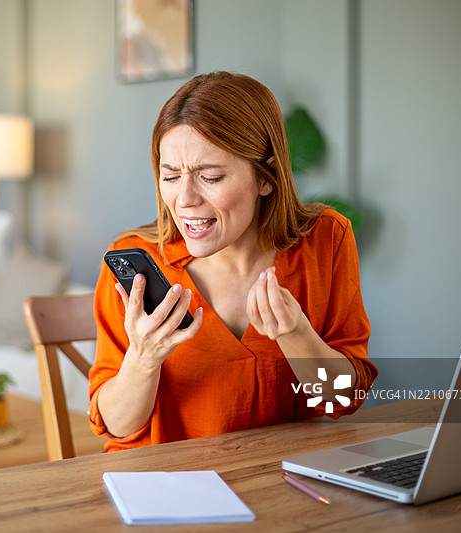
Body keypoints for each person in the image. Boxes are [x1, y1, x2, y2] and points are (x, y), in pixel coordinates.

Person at [88, 71, 377, 452]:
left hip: (280, 489)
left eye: (210, 176)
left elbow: (342, 400)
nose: (185, 199)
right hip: (166, 491)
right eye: (170, 175)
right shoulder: (136, 271)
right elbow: (118, 427)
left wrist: (295, 335)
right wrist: (144, 358)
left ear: (266, 177)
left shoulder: (325, 241)